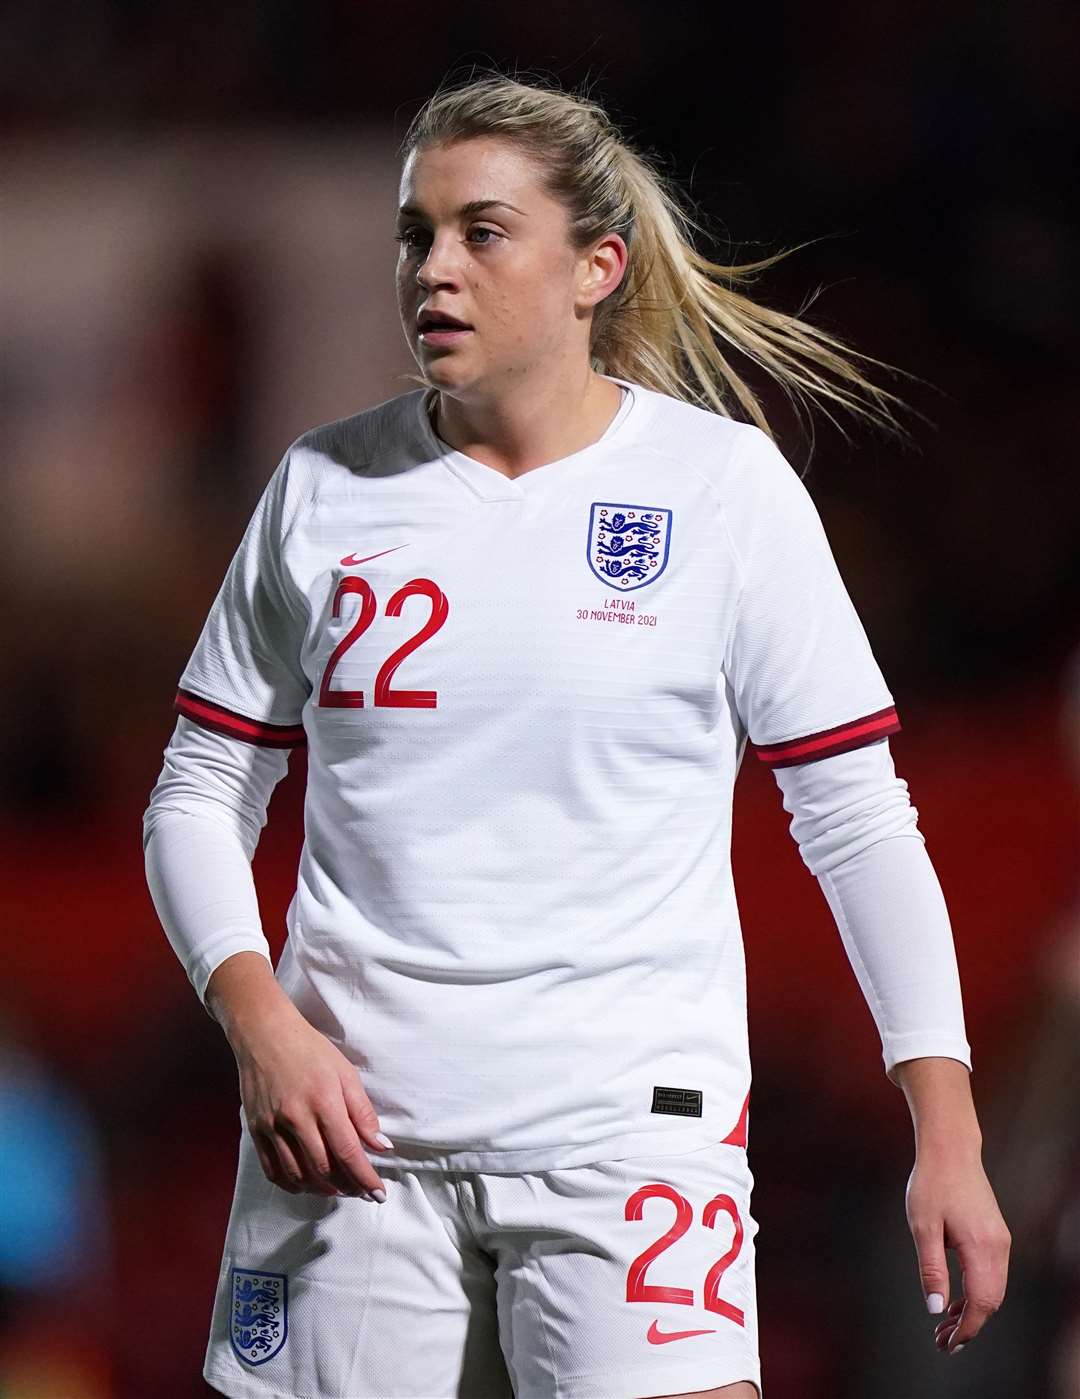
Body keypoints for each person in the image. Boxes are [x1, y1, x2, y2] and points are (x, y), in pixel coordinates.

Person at [142, 68, 1011, 1399]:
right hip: (354, 1142)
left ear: (595, 267)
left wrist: (944, 1129)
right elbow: (198, 790)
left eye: (480, 232)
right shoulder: (320, 488)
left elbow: (856, 820)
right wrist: (260, 1023)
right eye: (413, 234)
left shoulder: (722, 492)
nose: (432, 269)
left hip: (630, 1136)